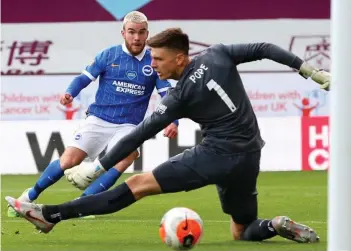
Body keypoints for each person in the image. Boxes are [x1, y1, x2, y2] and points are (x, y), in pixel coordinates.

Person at [6, 28, 330, 244]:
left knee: (136, 186)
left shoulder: (180, 96)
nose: (153, 64)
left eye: (158, 59)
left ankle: (51, 215)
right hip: (249, 157)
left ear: (179, 58)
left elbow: (140, 134)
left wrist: (97, 167)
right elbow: (264, 48)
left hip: (216, 155)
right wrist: (307, 70)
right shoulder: (218, 54)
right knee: (241, 230)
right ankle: (274, 226)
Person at [6, 12, 179, 218]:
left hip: (128, 125)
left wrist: (173, 120)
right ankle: (29, 196)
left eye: (141, 33)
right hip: (98, 119)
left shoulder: (153, 61)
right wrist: (70, 93)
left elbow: (167, 94)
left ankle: (83, 204)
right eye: (132, 32)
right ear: (123, 33)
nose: (136, 37)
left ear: (147, 34)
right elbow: (84, 78)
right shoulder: (109, 55)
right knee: (69, 160)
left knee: (129, 154)